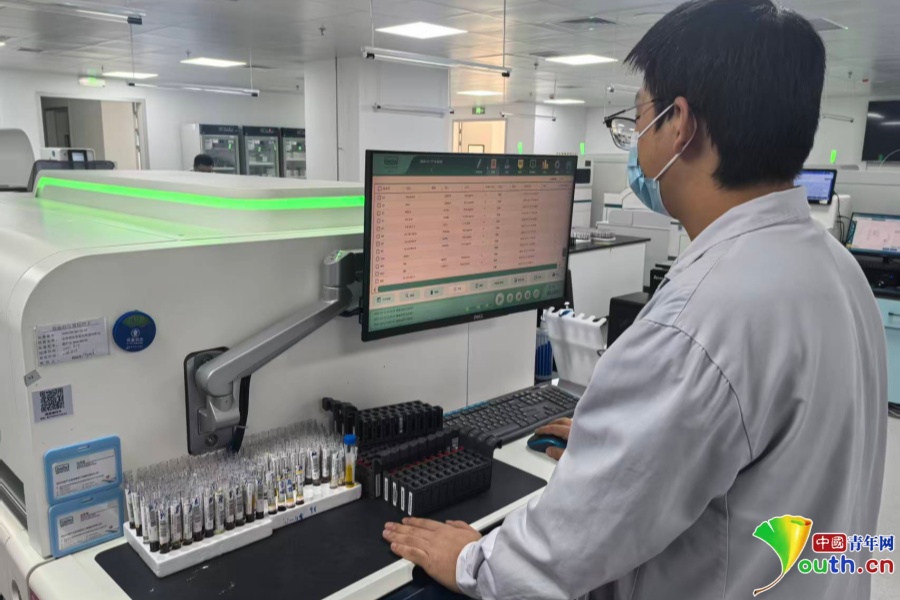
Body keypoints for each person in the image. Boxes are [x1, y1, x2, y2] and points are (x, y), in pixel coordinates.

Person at [381, 1, 888, 598]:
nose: (636, 140)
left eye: (639, 118)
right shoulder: (836, 268)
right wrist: (622, 447)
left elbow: (561, 554)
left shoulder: (699, 319)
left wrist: (472, 560)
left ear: (680, 124)